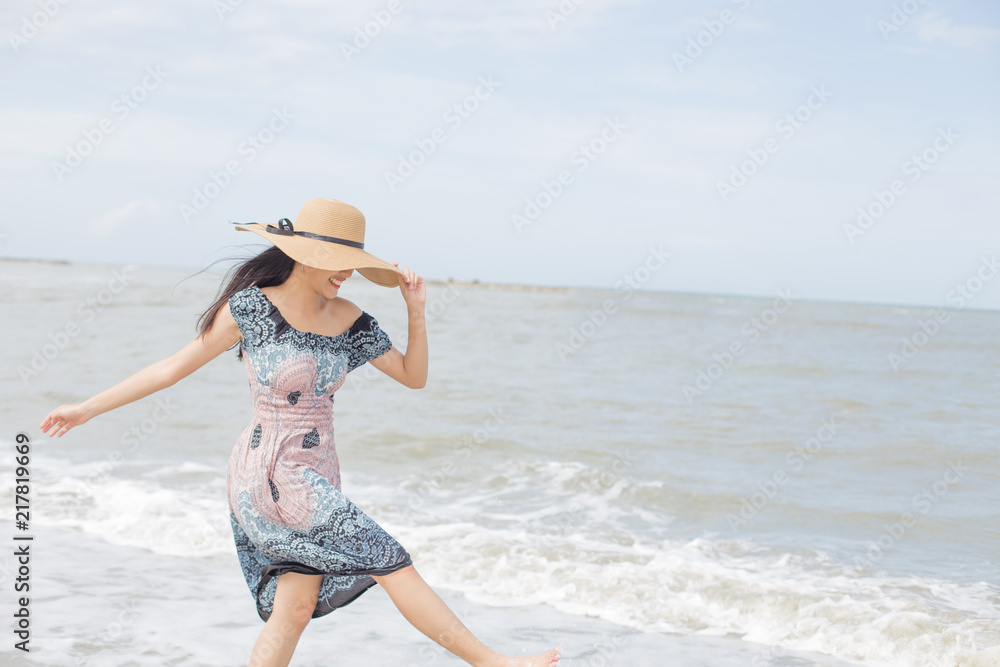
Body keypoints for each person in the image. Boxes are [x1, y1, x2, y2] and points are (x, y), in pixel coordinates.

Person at [38, 198, 563, 667]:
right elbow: (170, 368)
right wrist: (87, 408)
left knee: (294, 609)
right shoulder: (252, 309)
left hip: (317, 471)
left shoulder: (352, 318)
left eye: (355, 263)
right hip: (268, 473)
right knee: (388, 558)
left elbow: (413, 377)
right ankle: (491, 663)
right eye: (341, 264)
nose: (349, 273)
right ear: (307, 255)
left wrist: (416, 313)